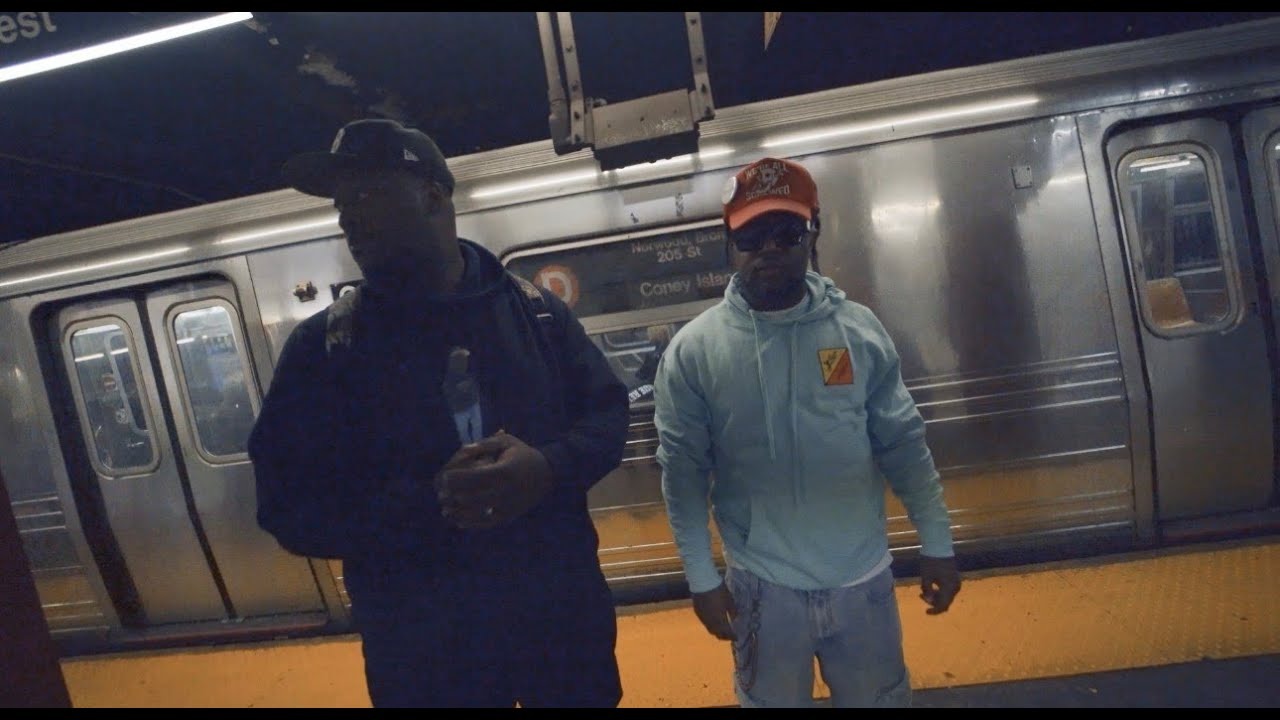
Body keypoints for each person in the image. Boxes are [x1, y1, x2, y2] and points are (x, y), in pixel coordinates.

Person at [248, 118, 630, 708]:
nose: (347, 219)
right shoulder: (323, 351)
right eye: (341, 204)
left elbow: (607, 419)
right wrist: (430, 503)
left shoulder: (537, 315)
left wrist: (547, 468)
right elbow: (287, 507)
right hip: (425, 662)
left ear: (431, 197)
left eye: (366, 195)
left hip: (561, 640)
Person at [652, 157, 962, 708]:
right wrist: (701, 578)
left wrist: (937, 543)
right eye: (750, 237)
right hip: (761, 587)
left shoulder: (858, 332)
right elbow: (683, 476)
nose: (768, 249)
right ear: (730, 245)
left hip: (862, 577)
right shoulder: (695, 352)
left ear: (812, 234)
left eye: (787, 233)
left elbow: (904, 446)